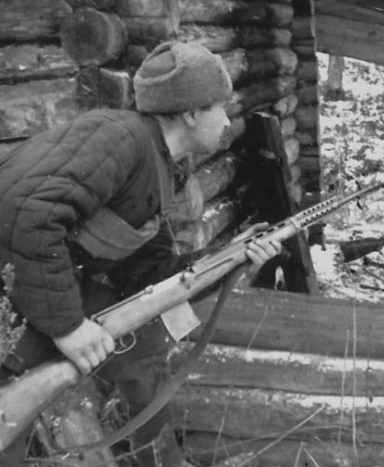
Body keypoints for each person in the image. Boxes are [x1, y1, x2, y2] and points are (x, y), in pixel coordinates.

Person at [0, 41, 282, 467]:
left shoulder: (156, 162)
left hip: (33, 281)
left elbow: (153, 276)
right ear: (190, 113)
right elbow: (31, 218)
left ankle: (158, 459)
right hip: (16, 286)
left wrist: (234, 259)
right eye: (220, 108)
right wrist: (69, 327)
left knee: (146, 348)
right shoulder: (119, 139)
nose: (226, 121)